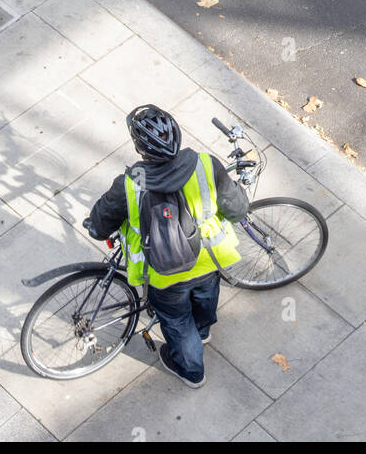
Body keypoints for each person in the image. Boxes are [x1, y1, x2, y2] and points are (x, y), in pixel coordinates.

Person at [84, 105, 248, 390]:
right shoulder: (206, 164)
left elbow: (100, 225)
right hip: (208, 257)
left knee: (175, 321)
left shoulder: (131, 184)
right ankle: (203, 330)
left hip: (163, 272)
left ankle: (191, 370)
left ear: (140, 151)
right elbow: (237, 210)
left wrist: (95, 227)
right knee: (206, 294)